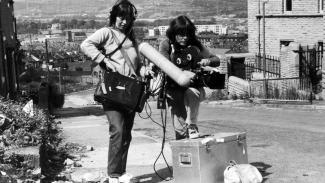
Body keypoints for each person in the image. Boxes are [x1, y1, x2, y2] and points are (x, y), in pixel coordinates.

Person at [80, 0, 151, 182]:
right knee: (117, 131)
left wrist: (145, 71)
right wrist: (103, 59)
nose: (124, 21)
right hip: (111, 91)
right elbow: (85, 45)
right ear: (114, 16)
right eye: (121, 17)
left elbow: (138, 65)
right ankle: (113, 175)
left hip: (129, 92)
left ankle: (121, 172)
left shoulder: (132, 37)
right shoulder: (107, 33)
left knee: (126, 133)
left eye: (128, 18)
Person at [159, 15, 220, 140]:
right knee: (180, 129)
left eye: (187, 34)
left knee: (192, 94)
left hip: (193, 88)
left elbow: (216, 60)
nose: (185, 38)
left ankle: (192, 125)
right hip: (174, 90)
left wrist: (206, 61)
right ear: (174, 33)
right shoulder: (166, 45)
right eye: (181, 34)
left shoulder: (195, 44)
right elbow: (165, 66)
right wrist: (184, 73)